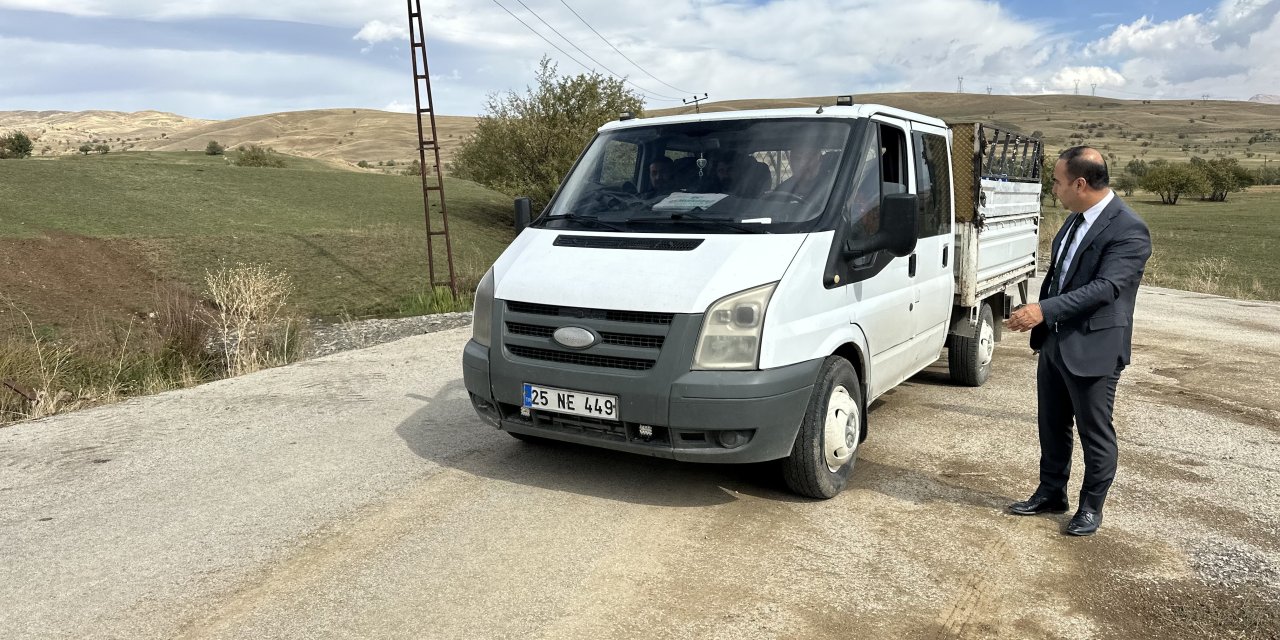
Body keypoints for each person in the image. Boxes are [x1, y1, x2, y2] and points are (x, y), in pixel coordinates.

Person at [1004, 146, 1152, 537]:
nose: (1053, 188)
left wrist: (1044, 310)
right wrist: (1043, 319)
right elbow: (1060, 276)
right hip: (1055, 342)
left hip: (1094, 347)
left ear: (1080, 183)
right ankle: (1052, 492)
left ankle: (1091, 507)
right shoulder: (1075, 220)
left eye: (1056, 181)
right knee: (1052, 425)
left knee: (1094, 430)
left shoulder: (1128, 228)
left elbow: (1107, 288)